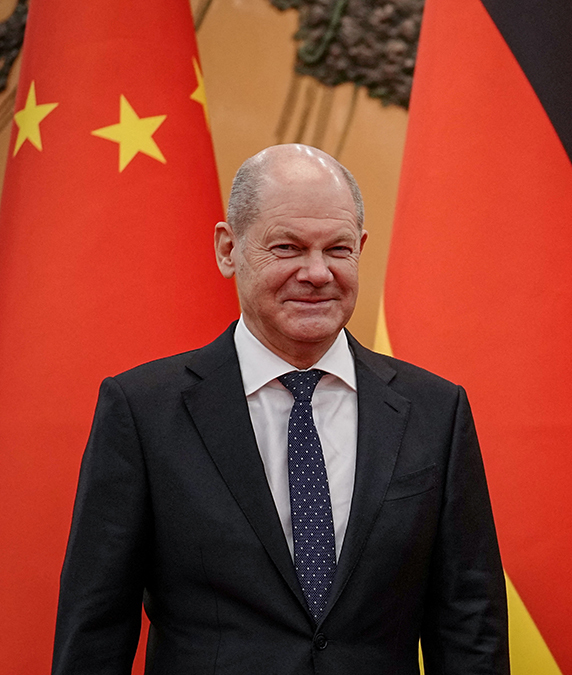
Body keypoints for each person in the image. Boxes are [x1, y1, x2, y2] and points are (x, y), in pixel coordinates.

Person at [53, 144, 509, 674]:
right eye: (288, 247)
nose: (317, 273)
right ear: (229, 249)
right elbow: (95, 628)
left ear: (360, 248)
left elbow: (470, 626)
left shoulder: (436, 411)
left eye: (337, 249)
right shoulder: (142, 411)